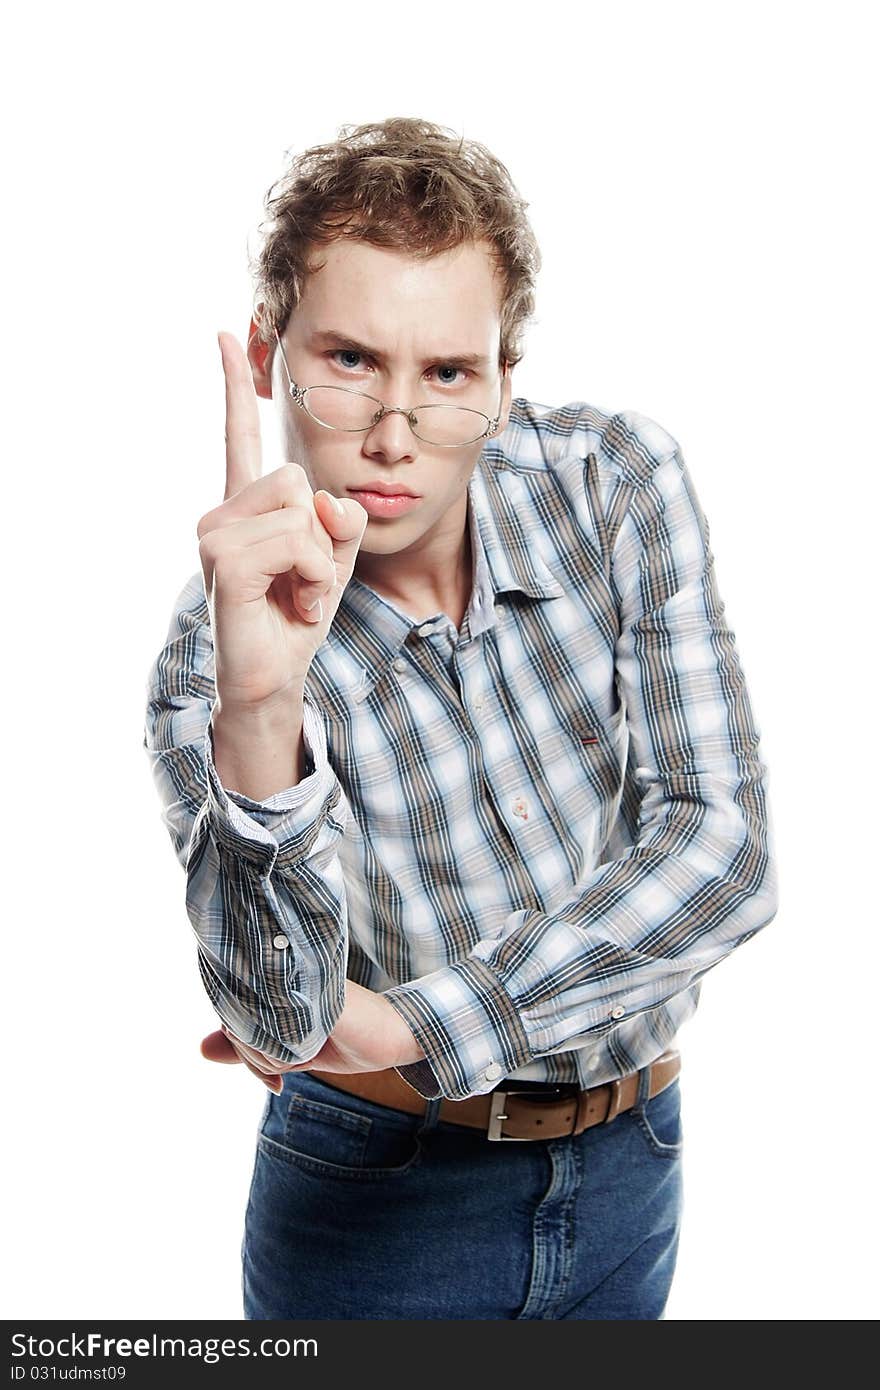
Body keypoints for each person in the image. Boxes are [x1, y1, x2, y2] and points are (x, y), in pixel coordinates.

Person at [143, 115, 778, 1320]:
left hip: (631, 1157)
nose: (396, 434)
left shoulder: (612, 481)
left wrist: (409, 1018)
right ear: (272, 355)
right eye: (349, 361)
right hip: (379, 1197)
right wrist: (263, 706)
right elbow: (281, 1021)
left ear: (501, 377)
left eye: (447, 374)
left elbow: (724, 852)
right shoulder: (209, 660)